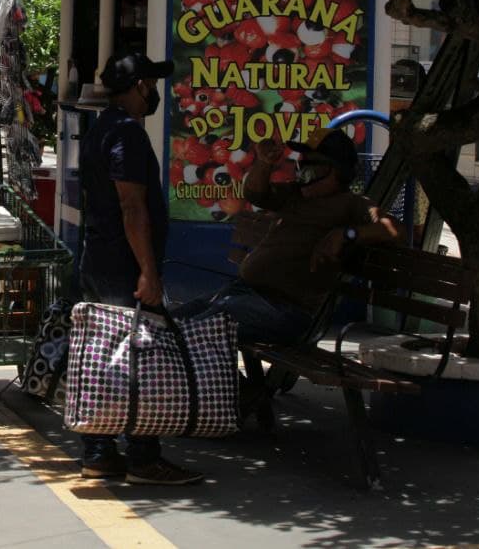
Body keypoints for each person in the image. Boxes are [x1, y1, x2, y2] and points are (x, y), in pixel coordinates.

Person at [77, 52, 203, 486]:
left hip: (99, 259)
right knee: (141, 359)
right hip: (123, 268)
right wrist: (148, 271)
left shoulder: (101, 130)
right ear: (139, 87)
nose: (156, 92)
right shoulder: (128, 134)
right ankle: (144, 457)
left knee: (108, 356)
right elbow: (132, 207)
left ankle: (99, 451)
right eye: (152, 83)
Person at [173, 128, 401, 345]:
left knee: (198, 328)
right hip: (247, 293)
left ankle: (192, 382)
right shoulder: (295, 194)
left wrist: (346, 234)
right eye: (300, 166)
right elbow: (255, 194)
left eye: (310, 167)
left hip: (286, 310)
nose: (301, 174)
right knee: (176, 319)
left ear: (335, 171)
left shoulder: (351, 204)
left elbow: (392, 228)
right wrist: (264, 163)